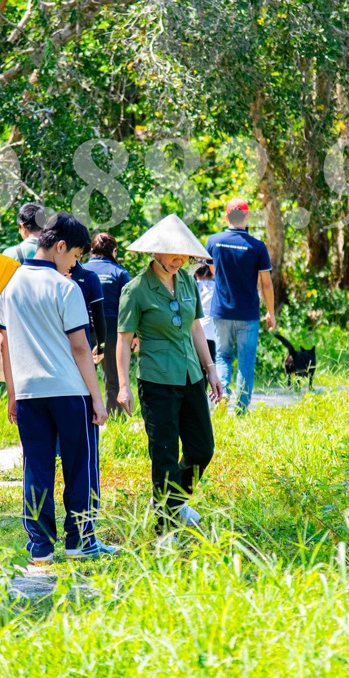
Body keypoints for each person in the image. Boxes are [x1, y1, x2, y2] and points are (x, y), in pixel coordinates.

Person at [0, 212, 116, 565]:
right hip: (69, 391)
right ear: (60, 246)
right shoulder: (66, 288)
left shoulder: (9, 284)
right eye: (75, 256)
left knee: (37, 467)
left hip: (29, 393)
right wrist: (97, 398)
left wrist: (13, 394)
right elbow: (81, 348)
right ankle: (81, 540)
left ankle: (40, 547)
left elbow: (3, 343)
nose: (73, 265)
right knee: (81, 466)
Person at [116, 214, 223, 533]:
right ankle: (165, 530)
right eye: (173, 253)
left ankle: (173, 502)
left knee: (202, 448)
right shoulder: (135, 290)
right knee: (164, 455)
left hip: (192, 376)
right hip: (157, 381)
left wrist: (211, 370)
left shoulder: (189, 281)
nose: (180, 260)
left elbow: (195, 328)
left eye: (185, 254)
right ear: (156, 251)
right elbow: (123, 341)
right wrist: (123, 386)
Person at [206, 198, 275, 415]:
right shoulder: (257, 246)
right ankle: (242, 411)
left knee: (223, 356)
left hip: (221, 311)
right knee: (246, 360)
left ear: (226, 217)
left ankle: (223, 393)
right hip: (248, 313)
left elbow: (215, 273)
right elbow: (266, 283)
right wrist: (270, 312)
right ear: (247, 217)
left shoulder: (214, 242)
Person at [82, 233, 131, 414]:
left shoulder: (82, 270)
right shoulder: (119, 273)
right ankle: (114, 417)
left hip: (84, 326)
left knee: (83, 374)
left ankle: (85, 415)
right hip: (111, 327)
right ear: (113, 250)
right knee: (113, 375)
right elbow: (127, 306)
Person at [69, 260, 106, 357]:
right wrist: (101, 347)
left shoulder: (47, 277)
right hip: (82, 337)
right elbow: (98, 316)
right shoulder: (89, 277)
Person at [193, 264, 217, 363]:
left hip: (196, 331)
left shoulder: (191, 287)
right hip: (213, 332)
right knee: (212, 365)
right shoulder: (216, 287)